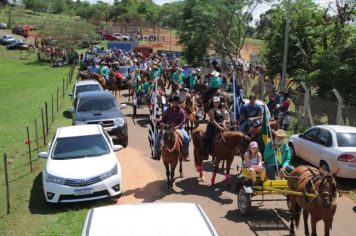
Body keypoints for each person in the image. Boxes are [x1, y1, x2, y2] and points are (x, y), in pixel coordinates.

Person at [155, 96, 191, 161]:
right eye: (174, 102)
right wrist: (158, 120)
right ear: (172, 103)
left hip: (179, 128)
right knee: (158, 137)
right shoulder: (167, 110)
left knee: (187, 138)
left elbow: (183, 121)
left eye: (177, 103)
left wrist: (178, 126)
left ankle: (185, 154)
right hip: (168, 127)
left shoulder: (181, 111)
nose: (176, 104)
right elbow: (163, 119)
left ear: (179, 103)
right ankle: (157, 153)